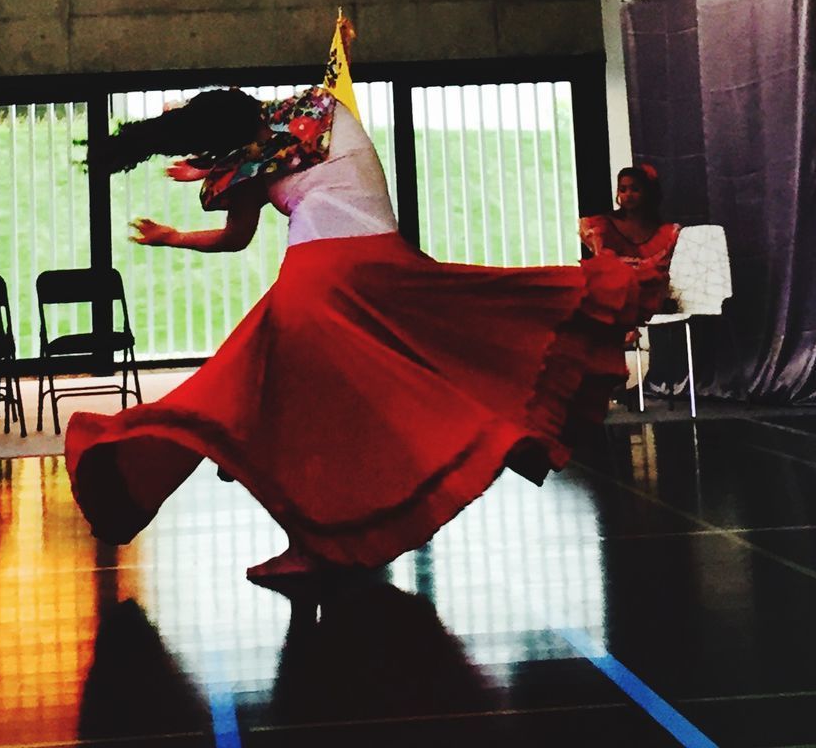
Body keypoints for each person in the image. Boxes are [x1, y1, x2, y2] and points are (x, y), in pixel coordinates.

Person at [65, 85, 638, 583]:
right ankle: (331, 534)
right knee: (424, 361)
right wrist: (221, 164)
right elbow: (276, 144)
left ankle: (166, 478)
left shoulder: (250, 171)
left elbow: (236, 237)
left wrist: (177, 231)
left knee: (238, 399)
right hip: (385, 263)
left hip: (319, 281)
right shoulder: (324, 111)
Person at [578, 164, 681, 393]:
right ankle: (607, 372)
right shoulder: (604, 225)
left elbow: (659, 272)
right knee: (601, 281)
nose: (628, 195)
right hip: (615, 290)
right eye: (623, 189)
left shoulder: (662, 232)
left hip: (645, 291)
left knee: (623, 283)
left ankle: (613, 369)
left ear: (647, 192)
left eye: (634, 189)